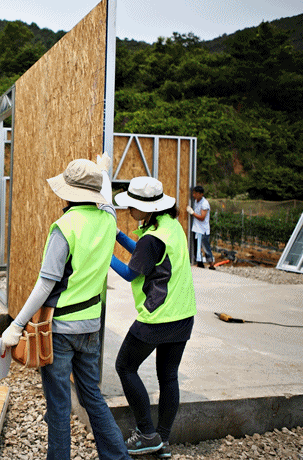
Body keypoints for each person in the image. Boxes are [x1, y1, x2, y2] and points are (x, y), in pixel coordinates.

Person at [1, 155, 131, 460]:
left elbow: (45, 284)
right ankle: (118, 457)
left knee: (59, 406)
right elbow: (108, 203)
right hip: (91, 326)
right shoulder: (109, 220)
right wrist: (103, 172)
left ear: (68, 191)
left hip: (59, 331)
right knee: (93, 397)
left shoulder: (64, 227)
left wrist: (16, 326)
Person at [110, 176, 197, 458]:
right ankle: (163, 441)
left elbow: (130, 272)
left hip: (158, 317)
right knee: (168, 376)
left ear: (148, 209)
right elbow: (145, 255)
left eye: (132, 206)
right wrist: (117, 235)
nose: (128, 210)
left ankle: (147, 433)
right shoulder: (171, 226)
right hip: (183, 314)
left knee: (125, 366)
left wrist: (103, 252)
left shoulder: (151, 238)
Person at [187, 185, 215, 269]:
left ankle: (211, 264)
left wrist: (192, 213)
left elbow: (202, 217)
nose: (194, 195)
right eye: (193, 193)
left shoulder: (204, 203)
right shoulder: (196, 201)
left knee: (205, 247)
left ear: (201, 194)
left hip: (203, 230)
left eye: (195, 193)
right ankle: (200, 263)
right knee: (197, 247)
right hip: (197, 229)